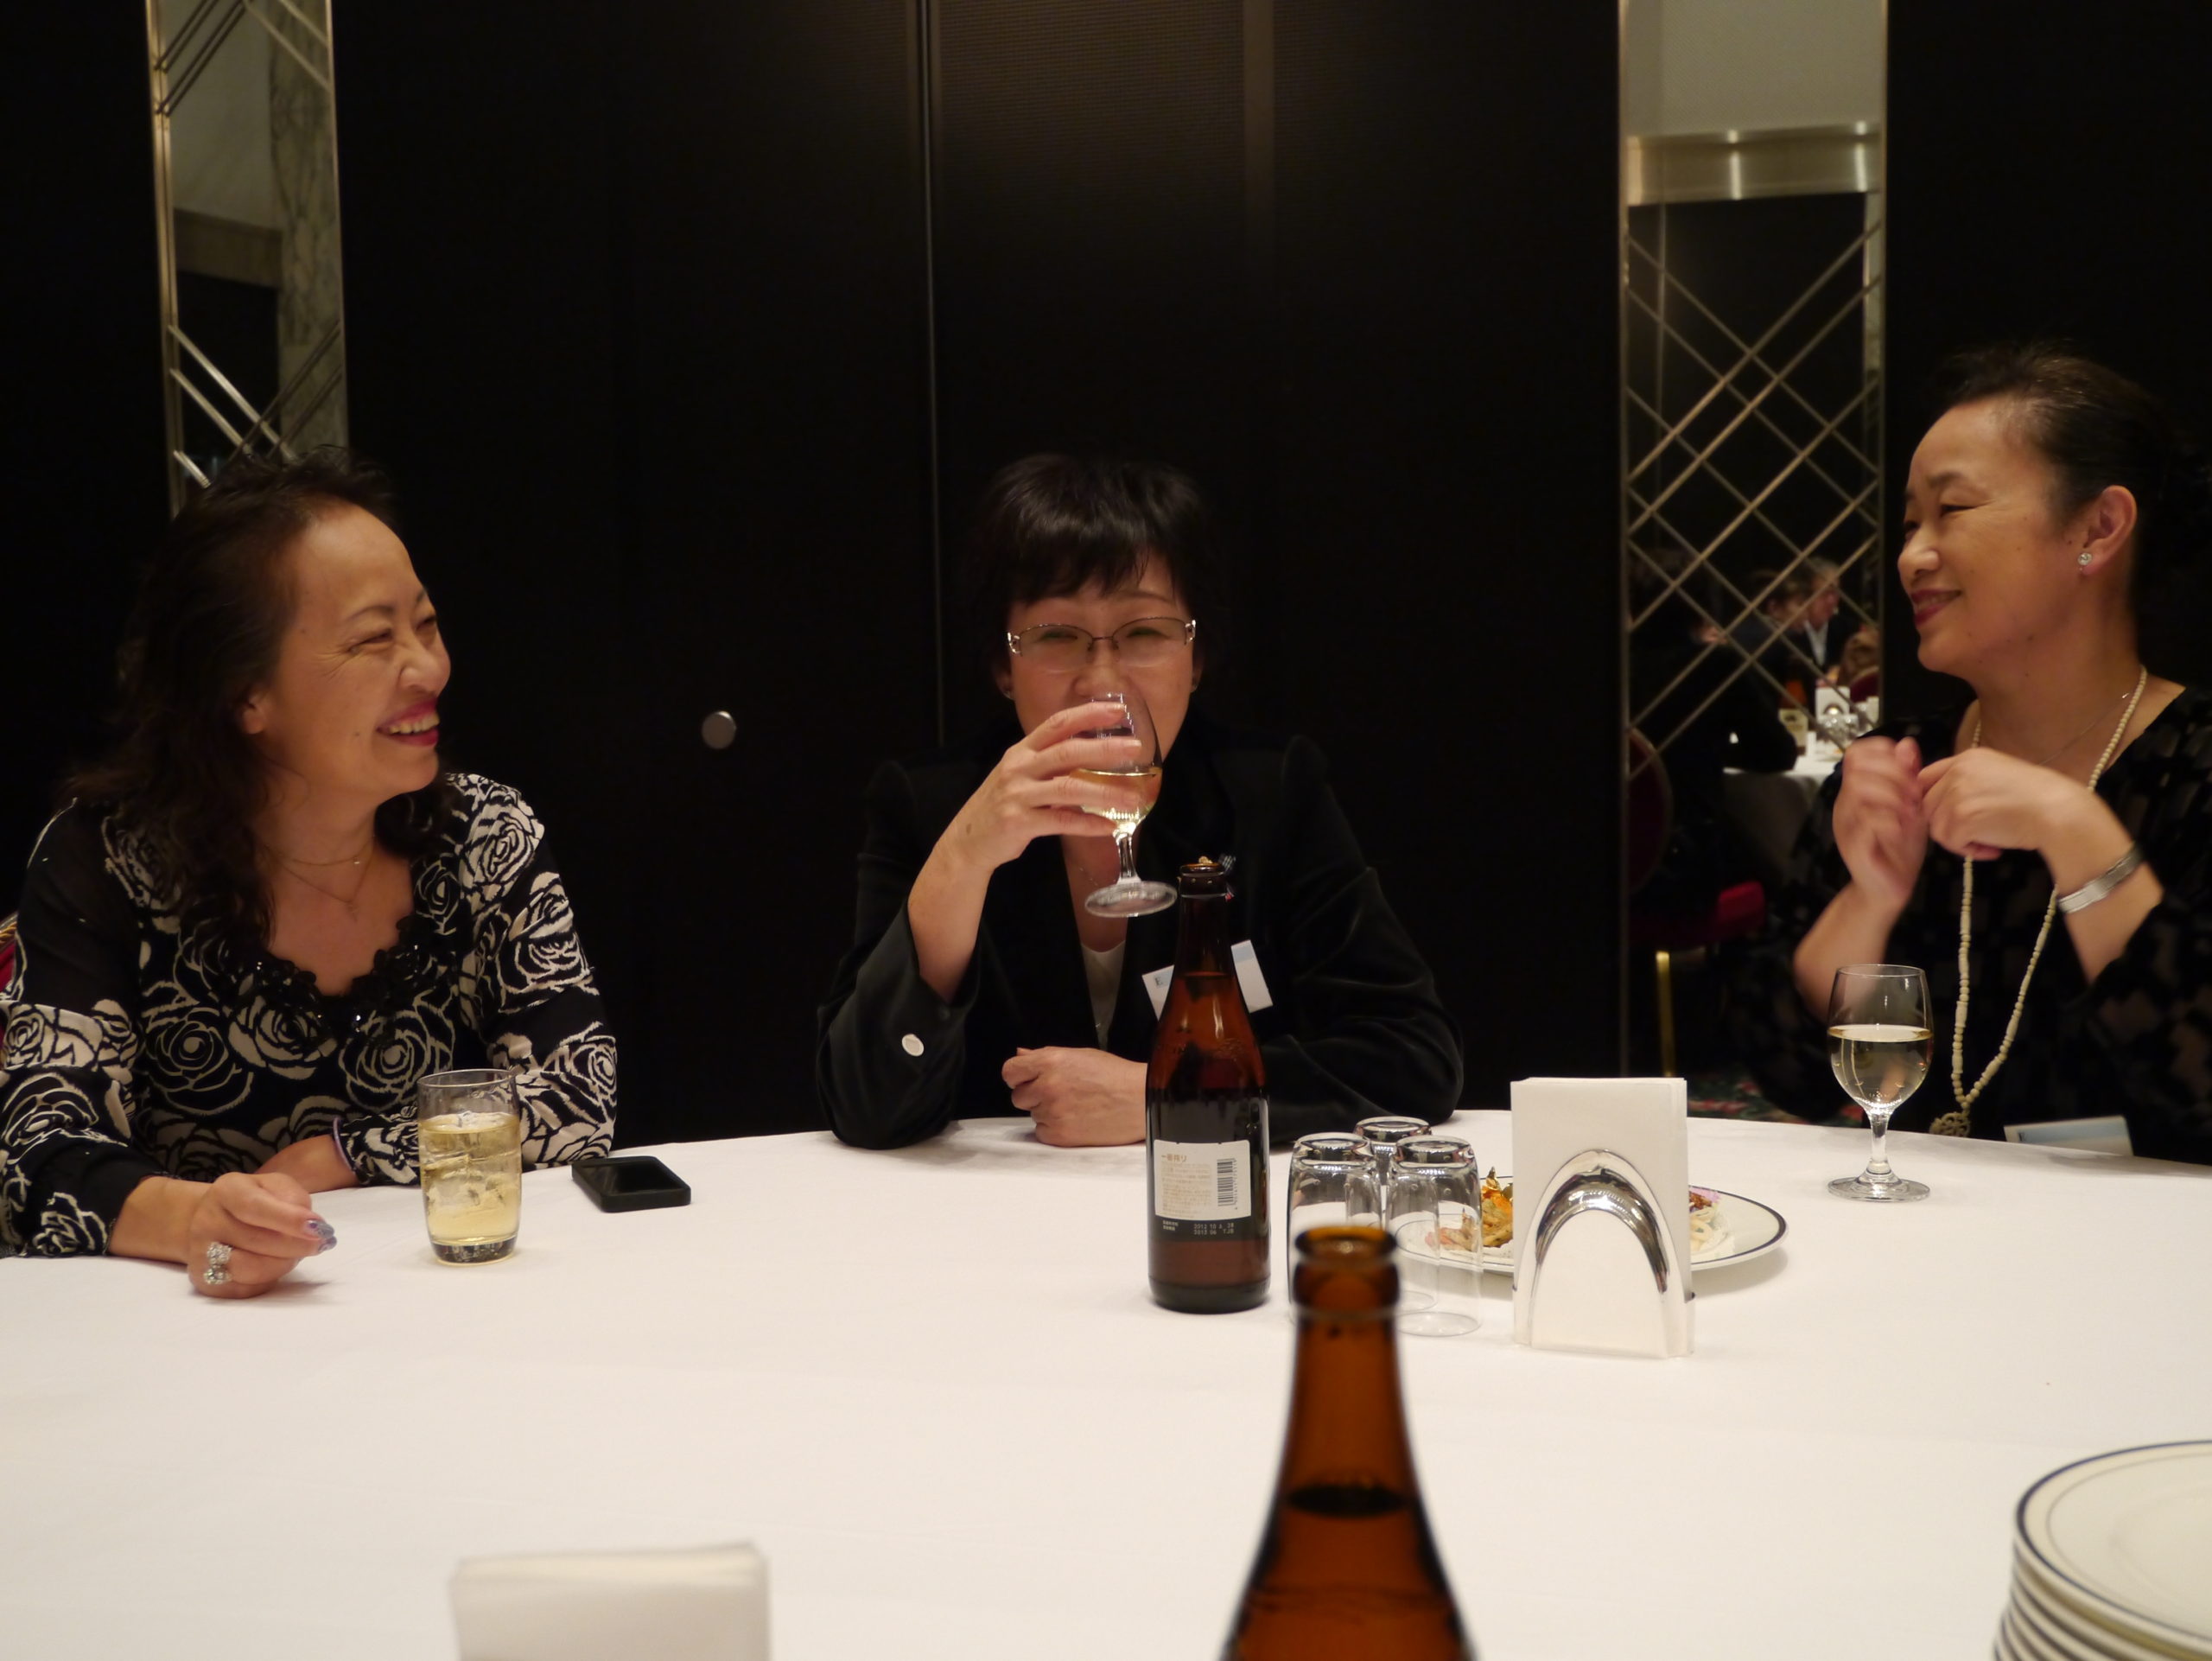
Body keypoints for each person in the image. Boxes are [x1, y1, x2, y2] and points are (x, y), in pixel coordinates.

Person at [0, 451, 617, 1289]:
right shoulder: (106, 859)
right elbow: (38, 1157)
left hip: (436, 1302)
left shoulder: (484, 833)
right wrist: (198, 1220)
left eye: (427, 624)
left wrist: (342, 1153)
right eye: (373, 639)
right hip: (182, 1320)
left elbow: (577, 1099)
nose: (430, 667)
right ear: (244, 693)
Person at [817, 455, 1462, 1149]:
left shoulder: (1270, 795)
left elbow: (1413, 1058)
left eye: (1145, 633)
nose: (1103, 683)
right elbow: (868, 1107)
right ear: (1004, 667)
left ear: (1196, 658)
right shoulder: (930, 807)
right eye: (1057, 636)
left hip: (1212, 1198)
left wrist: (1175, 1094)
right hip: (994, 1206)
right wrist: (961, 862)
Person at [1736, 344, 2212, 1163]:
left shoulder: (2193, 767)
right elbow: (1786, 1070)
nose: (1912, 556)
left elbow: (2199, 1088)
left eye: (1951, 510)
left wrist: (2075, 829)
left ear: (2098, 528)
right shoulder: (1897, 768)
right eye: (1910, 524)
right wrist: (1870, 898)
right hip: (1927, 1229)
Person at [1629, 540, 1796, 913]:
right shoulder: (1714, 666)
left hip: (1610, 868)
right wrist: (1713, 751)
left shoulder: (1612, 663)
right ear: (1702, 605)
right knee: (1778, 871)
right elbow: (1777, 753)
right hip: (1686, 868)